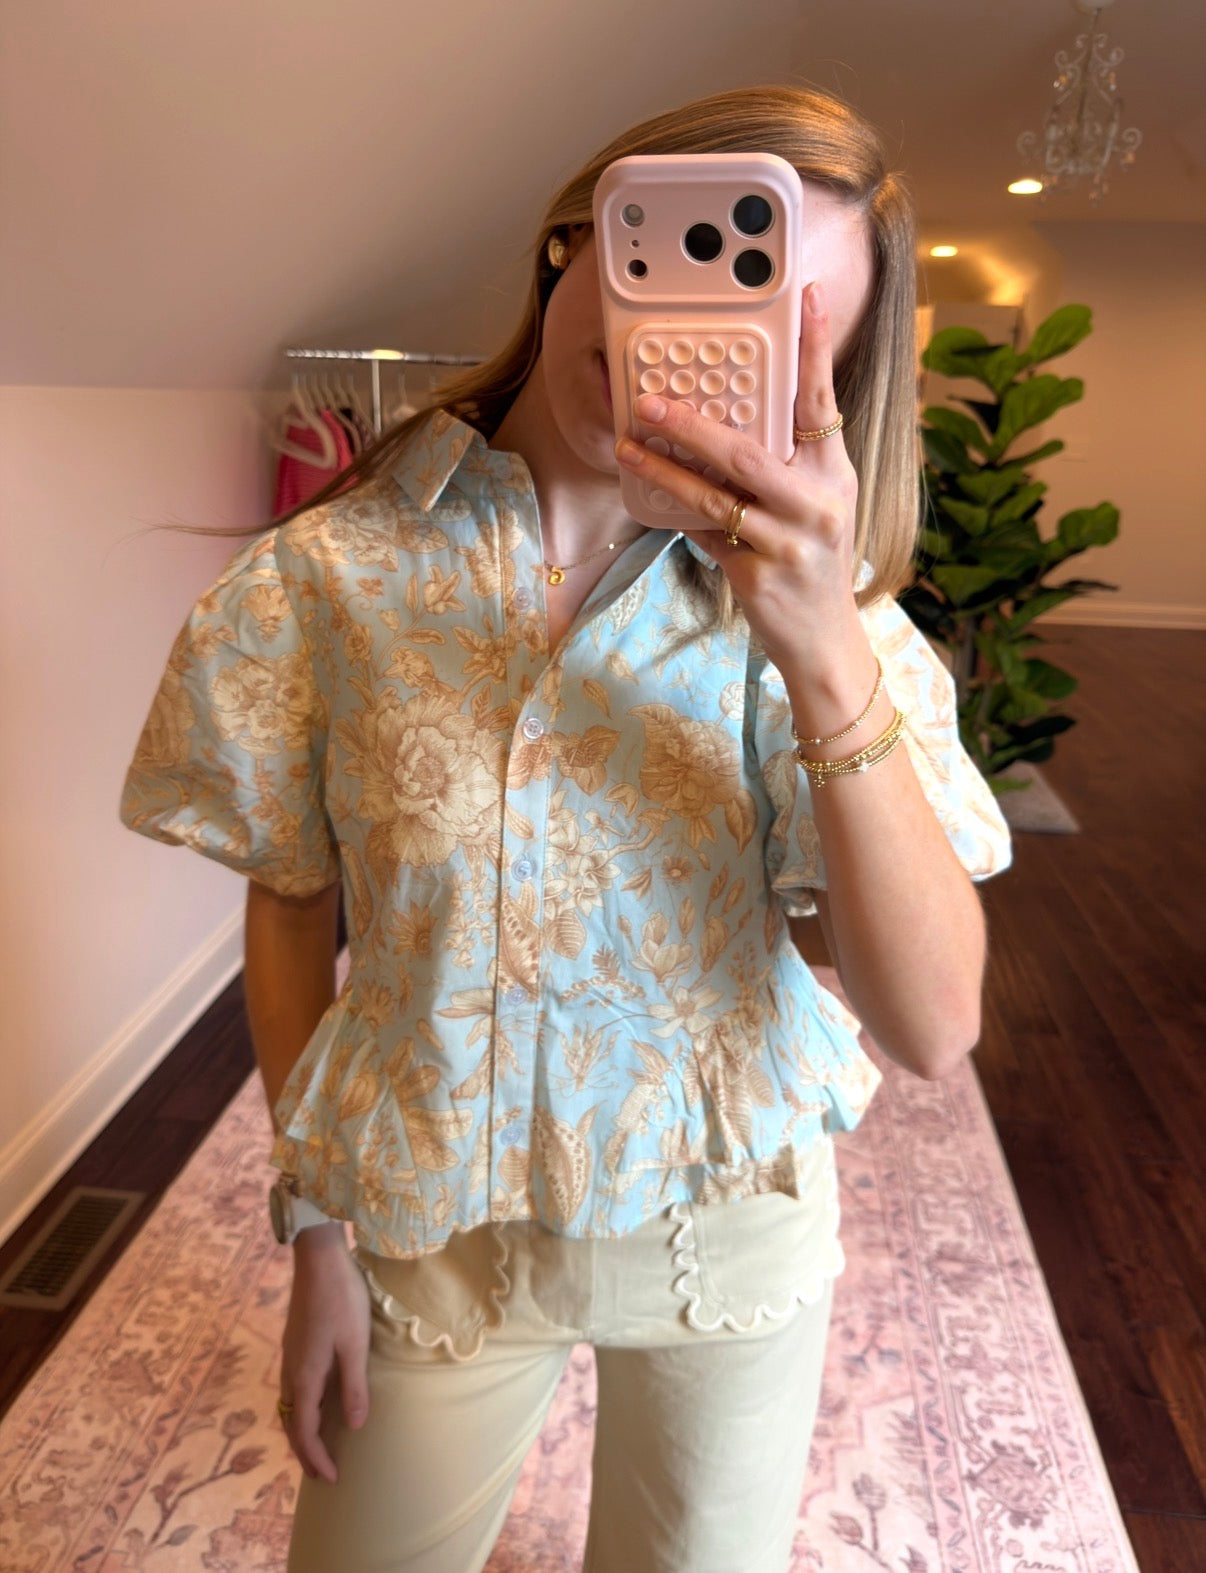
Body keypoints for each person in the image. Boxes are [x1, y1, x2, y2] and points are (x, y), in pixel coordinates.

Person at [119, 82, 1011, 1573]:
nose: (694, 344)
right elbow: (290, 901)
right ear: (580, 240)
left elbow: (930, 1025)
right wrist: (314, 1234)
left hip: (723, 1226)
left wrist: (818, 650)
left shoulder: (816, 618)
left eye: (783, 332)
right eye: (693, 265)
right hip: (432, 1228)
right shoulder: (329, 581)